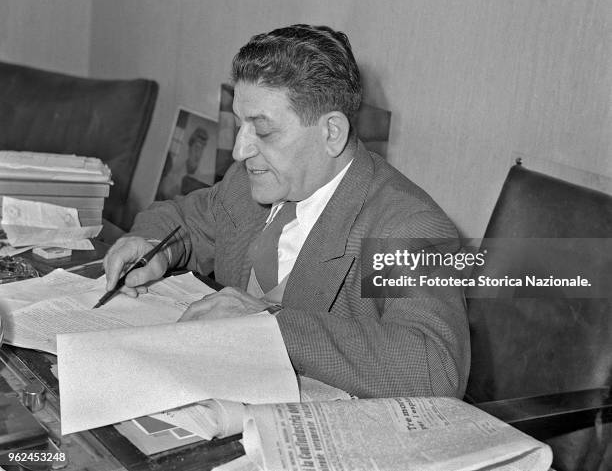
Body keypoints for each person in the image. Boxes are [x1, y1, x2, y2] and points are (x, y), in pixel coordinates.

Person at [104, 24, 470, 399]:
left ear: (331, 133)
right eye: (239, 125)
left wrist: (267, 324)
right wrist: (153, 247)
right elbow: (182, 219)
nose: (240, 150)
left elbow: (436, 368)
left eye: (263, 131)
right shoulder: (250, 182)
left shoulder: (405, 227)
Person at [157, 126, 209, 199]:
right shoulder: (173, 173)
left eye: (202, 149)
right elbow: (163, 191)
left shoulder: (203, 183)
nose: (198, 154)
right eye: (196, 147)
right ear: (189, 148)